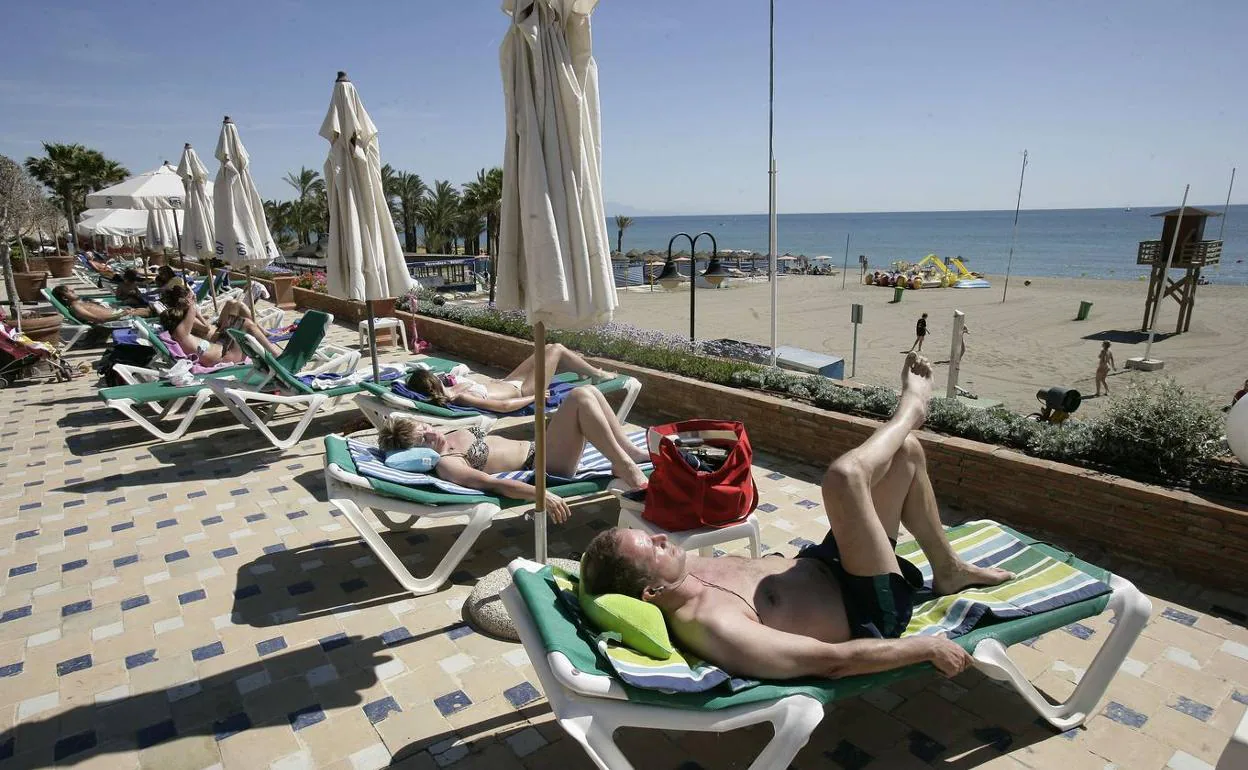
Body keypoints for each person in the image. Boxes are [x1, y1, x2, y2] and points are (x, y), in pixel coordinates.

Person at [580, 353, 1013, 681]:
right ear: (652, 591)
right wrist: (924, 647)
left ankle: (949, 569)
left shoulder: (683, 569)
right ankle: (912, 411)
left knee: (906, 453)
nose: (658, 538)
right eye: (651, 548)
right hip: (867, 605)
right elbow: (831, 662)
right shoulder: (712, 624)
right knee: (845, 477)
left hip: (826, 562)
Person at [376, 386, 650, 523]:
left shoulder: (447, 436)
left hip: (541, 448)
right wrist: (540, 494)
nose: (432, 433)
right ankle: (624, 464)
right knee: (579, 397)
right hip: (546, 467)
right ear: (416, 453)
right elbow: (494, 484)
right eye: (424, 439)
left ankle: (630, 452)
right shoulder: (449, 464)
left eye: (426, 427)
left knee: (588, 391)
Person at [403, 342, 617, 414]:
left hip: (508, 381)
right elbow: (504, 406)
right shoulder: (459, 398)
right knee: (557, 349)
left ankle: (584, 369)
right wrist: (536, 397)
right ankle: (597, 374)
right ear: (433, 383)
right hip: (524, 390)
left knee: (547, 347)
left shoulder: (451, 390)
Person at [158, 284, 279, 366]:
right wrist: (190, 304)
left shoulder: (180, 334)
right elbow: (196, 313)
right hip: (228, 357)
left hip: (225, 348)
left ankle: (270, 347)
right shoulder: (181, 333)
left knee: (236, 310)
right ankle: (277, 356)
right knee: (246, 324)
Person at [51, 285, 149, 323]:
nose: (73, 290)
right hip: (118, 317)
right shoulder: (76, 307)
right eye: (70, 292)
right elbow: (97, 319)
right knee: (151, 311)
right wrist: (121, 314)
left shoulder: (80, 302)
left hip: (120, 312)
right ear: (64, 297)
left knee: (151, 308)